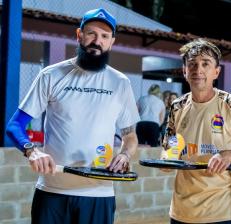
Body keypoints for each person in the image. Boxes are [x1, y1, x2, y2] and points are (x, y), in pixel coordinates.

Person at [6, 8, 140, 224]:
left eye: (105, 36)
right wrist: (32, 152)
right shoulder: (50, 75)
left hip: (99, 194)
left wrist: (125, 155)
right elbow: (14, 126)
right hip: (52, 191)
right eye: (91, 34)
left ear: (112, 42)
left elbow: (130, 136)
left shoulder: (121, 83)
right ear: (79, 35)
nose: (97, 41)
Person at [161, 38, 231, 224]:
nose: (198, 69)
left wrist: (229, 155)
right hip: (181, 211)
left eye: (205, 64)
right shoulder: (177, 106)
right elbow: (171, 147)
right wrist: (167, 159)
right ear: (184, 71)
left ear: (216, 72)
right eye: (192, 64)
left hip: (222, 211)